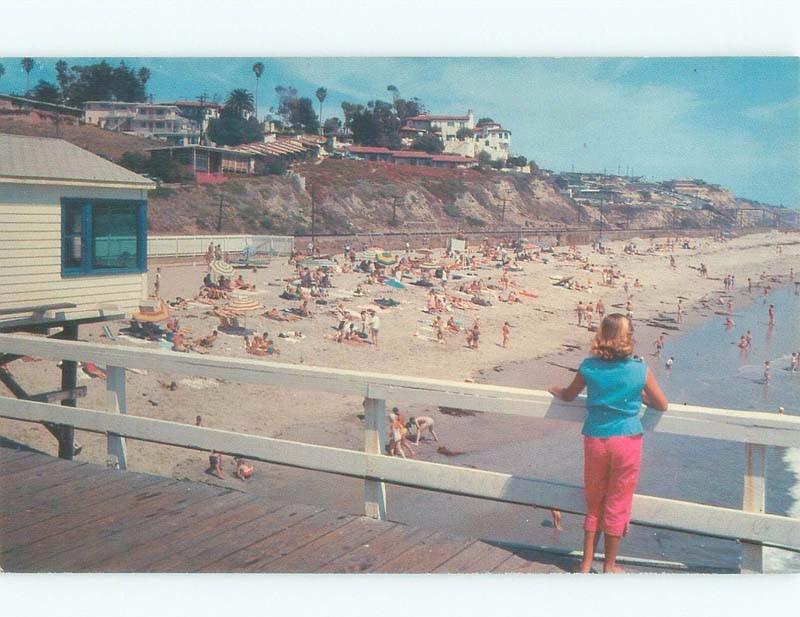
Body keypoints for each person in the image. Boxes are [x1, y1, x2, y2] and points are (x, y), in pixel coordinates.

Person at [548, 314, 668, 573]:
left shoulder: (589, 366)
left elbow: (569, 395)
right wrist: (642, 397)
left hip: (595, 440)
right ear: (629, 337)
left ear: (601, 335)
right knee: (618, 502)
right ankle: (609, 566)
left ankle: (586, 563)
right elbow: (662, 404)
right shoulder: (640, 370)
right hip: (626, 441)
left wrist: (556, 390)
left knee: (594, 502)